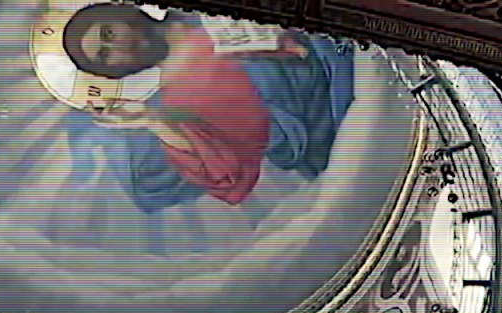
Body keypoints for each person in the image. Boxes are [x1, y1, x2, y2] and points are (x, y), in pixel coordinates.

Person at [61, 3, 355, 212]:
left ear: (120, 14)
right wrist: (154, 121)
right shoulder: (174, 107)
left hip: (343, 45)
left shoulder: (199, 12)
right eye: (105, 55)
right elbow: (229, 176)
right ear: (113, 72)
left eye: (109, 33)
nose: (119, 47)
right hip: (341, 125)